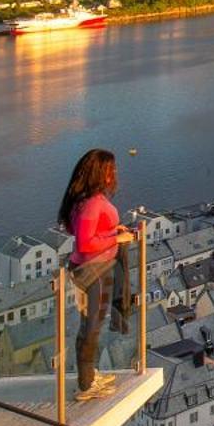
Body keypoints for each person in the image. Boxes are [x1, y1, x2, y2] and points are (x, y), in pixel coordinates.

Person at [56, 149, 135, 399]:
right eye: (112, 169)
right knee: (92, 326)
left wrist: (113, 231)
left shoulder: (85, 200)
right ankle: (86, 384)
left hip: (94, 268)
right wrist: (117, 238)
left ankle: (87, 376)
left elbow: (84, 233)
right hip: (95, 271)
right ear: (101, 172)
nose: (115, 173)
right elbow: (85, 244)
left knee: (91, 325)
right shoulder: (92, 204)